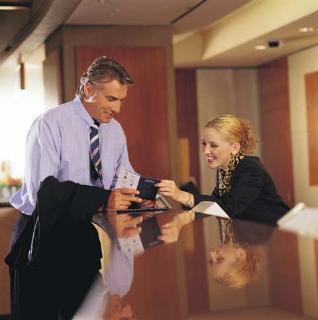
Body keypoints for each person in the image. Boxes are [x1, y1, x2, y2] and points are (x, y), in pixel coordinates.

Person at [7, 56, 146, 319]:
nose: (117, 109)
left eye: (121, 100)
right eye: (111, 99)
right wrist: (105, 198)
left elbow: (124, 178)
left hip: (83, 233)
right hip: (40, 233)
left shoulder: (115, 131)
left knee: (85, 312)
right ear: (89, 90)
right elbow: (43, 192)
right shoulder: (49, 124)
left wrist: (141, 196)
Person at [156, 114, 289, 225]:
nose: (206, 151)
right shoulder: (226, 169)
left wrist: (180, 195)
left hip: (278, 238)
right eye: (204, 143)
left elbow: (226, 207)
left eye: (214, 145)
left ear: (235, 148)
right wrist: (167, 203)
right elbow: (213, 204)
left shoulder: (250, 169)